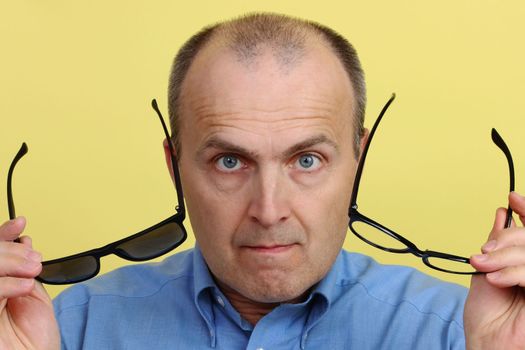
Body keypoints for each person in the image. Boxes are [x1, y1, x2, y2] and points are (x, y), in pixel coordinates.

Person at [1, 13, 525, 349]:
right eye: (230, 162)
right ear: (175, 166)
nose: (270, 209)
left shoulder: (458, 333)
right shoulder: (63, 330)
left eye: (306, 160)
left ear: (358, 162)